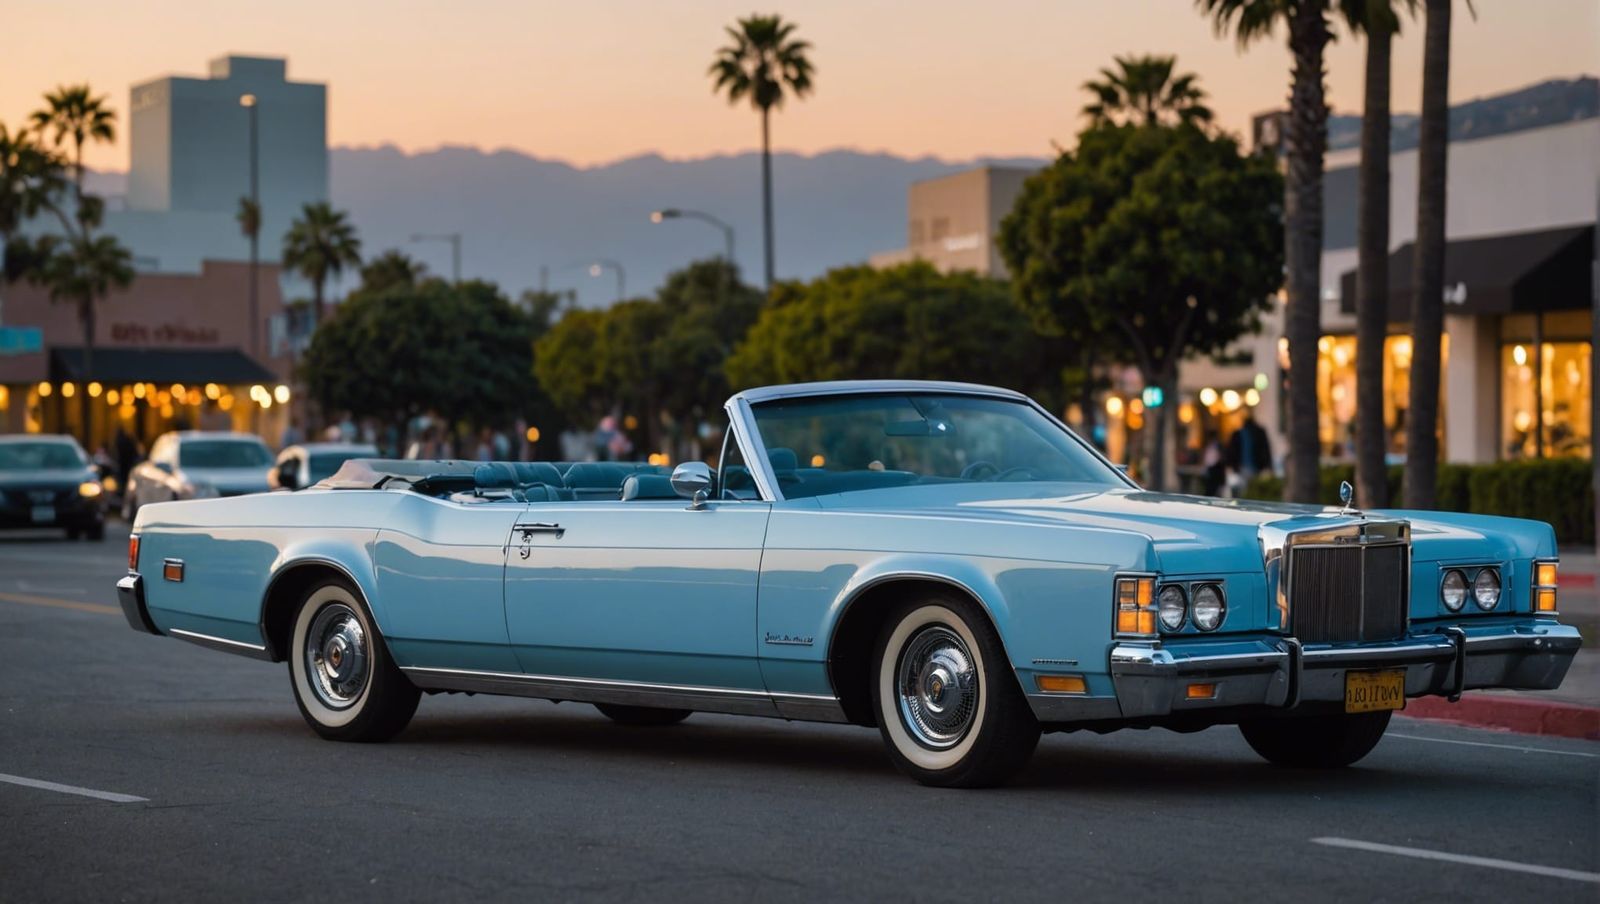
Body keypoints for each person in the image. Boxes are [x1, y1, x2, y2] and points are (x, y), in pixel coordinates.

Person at [1226, 411, 1273, 480]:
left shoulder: (1258, 432)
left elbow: (1265, 449)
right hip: (1246, 467)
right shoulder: (1239, 434)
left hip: (1252, 467)